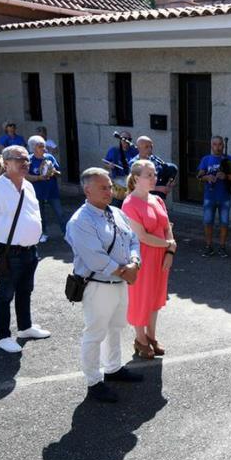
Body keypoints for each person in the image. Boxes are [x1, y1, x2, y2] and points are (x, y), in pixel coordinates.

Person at [66, 168, 145, 401]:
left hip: (120, 282)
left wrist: (135, 262)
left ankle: (113, 368)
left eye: (110, 186)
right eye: (103, 187)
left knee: (115, 327)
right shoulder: (80, 221)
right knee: (94, 333)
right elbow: (95, 257)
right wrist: (125, 271)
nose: (109, 191)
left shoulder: (116, 213)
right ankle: (93, 381)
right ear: (87, 190)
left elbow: (132, 239)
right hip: (98, 285)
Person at [0, 145, 49, 353]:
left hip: (30, 250)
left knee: (26, 290)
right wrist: (0, 241)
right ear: (5, 163)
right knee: (5, 294)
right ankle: (3, 336)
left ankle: (25, 327)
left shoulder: (28, 186)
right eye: (19, 159)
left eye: (26, 159)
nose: (25, 163)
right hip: (8, 252)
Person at [122, 159, 176, 359]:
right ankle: (140, 340)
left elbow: (166, 226)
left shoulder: (157, 199)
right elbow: (142, 236)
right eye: (149, 175)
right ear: (136, 178)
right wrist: (169, 245)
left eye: (154, 174)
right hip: (143, 258)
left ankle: (151, 336)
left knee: (155, 299)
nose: (154, 178)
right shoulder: (129, 204)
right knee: (141, 299)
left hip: (161, 257)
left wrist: (169, 251)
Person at [196, 135, 231, 257]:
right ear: (211, 145)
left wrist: (226, 177)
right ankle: (209, 246)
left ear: (223, 145)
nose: (218, 147)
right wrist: (207, 177)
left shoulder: (229, 159)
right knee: (207, 222)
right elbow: (199, 176)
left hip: (224, 197)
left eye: (220, 144)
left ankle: (222, 247)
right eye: (215, 144)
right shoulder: (206, 159)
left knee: (224, 223)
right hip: (209, 197)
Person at [27, 135, 68, 242]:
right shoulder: (29, 160)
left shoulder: (49, 157)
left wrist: (54, 172)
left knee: (60, 213)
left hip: (52, 191)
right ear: (33, 148)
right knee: (40, 215)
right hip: (37, 192)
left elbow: (59, 173)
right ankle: (42, 233)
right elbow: (26, 176)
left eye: (43, 145)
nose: (43, 148)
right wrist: (39, 177)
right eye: (40, 146)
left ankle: (66, 233)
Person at [129, 135, 176, 201]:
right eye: (146, 147)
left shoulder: (154, 159)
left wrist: (170, 182)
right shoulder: (134, 164)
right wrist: (159, 188)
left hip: (157, 193)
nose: (150, 149)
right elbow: (135, 185)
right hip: (142, 196)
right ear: (139, 148)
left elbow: (164, 171)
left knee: (171, 167)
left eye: (151, 147)